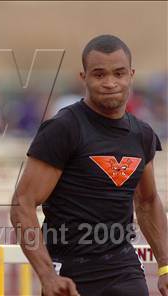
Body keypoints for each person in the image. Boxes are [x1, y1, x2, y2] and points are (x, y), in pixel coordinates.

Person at [10, 35, 168, 296]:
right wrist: (47, 276)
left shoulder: (142, 134)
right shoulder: (64, 128)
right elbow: (22, 203)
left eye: (119, 73)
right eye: (99, 74)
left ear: (131, 75)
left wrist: (164, 266)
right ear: (83, 77)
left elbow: (148, 202)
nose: (110, 83)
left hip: (123, 268)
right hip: (71, 273)